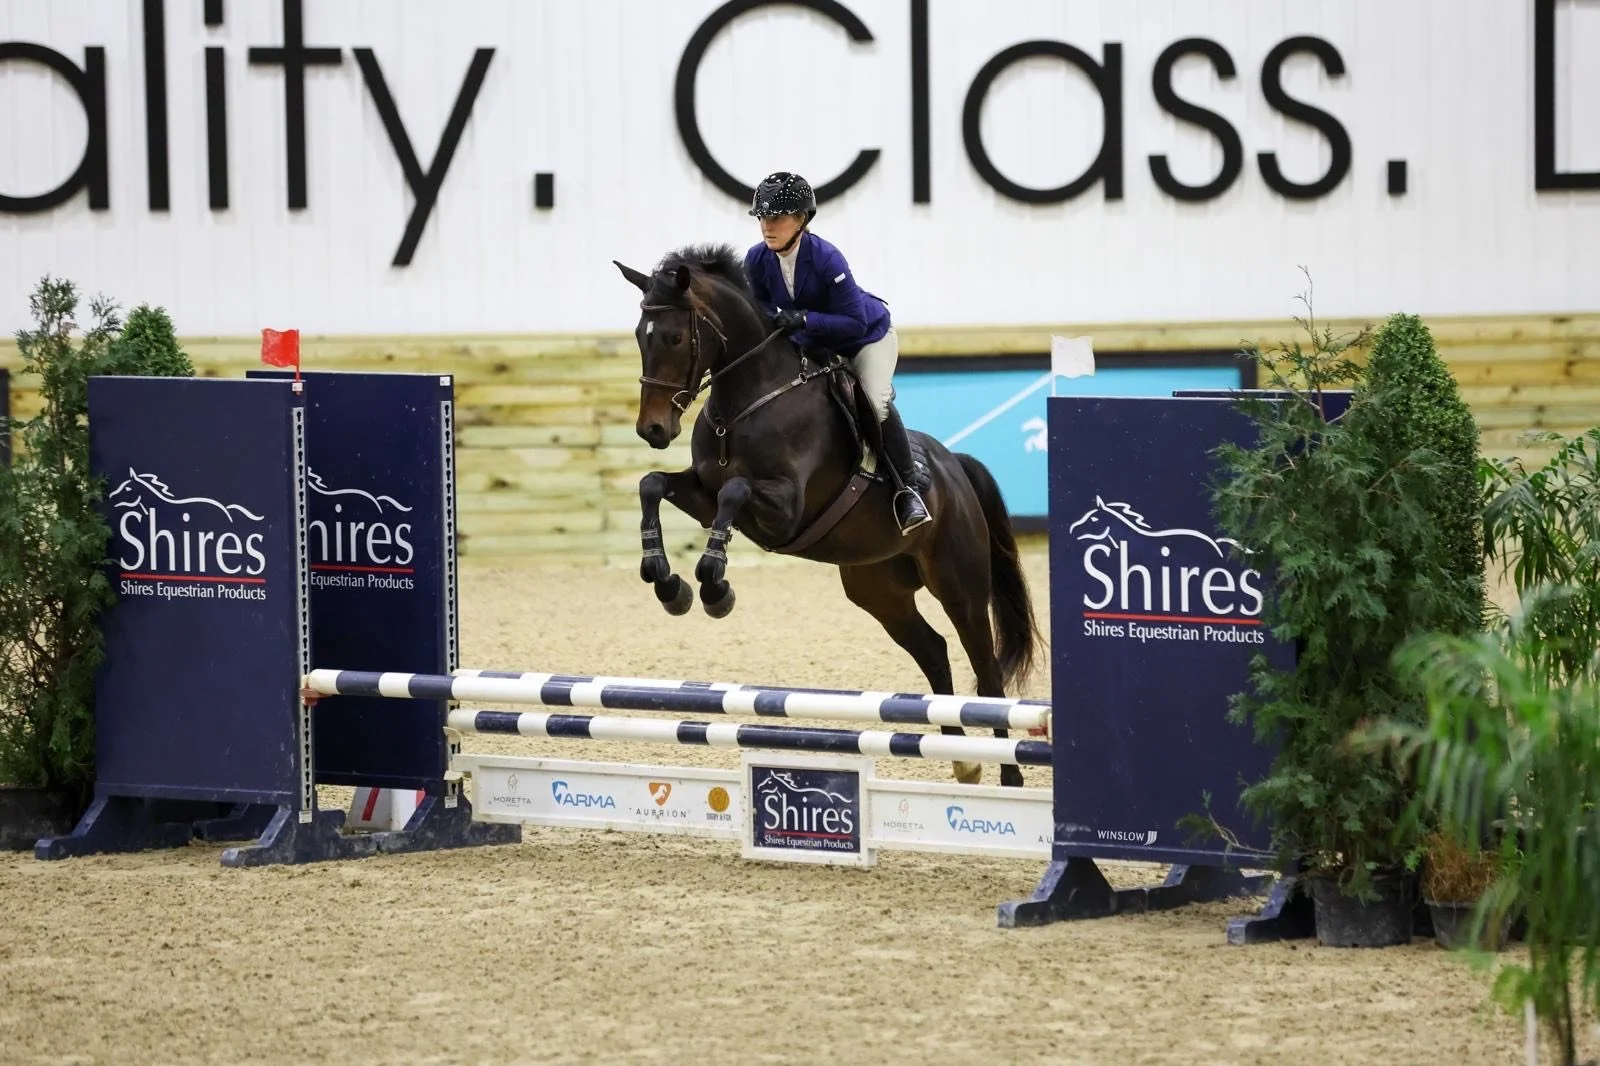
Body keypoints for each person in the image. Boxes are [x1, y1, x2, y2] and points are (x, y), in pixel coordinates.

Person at [741, 171, 931, 535]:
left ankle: (908, 489)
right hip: (816, 344)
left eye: (777, 218)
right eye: (763, 218)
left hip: (866, 339)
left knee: (873, 403)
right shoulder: (757, 259)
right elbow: (759, 309)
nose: (767, 226)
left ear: (801, 220)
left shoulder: (827, 258)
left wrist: (804, 319)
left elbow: (854, 322)